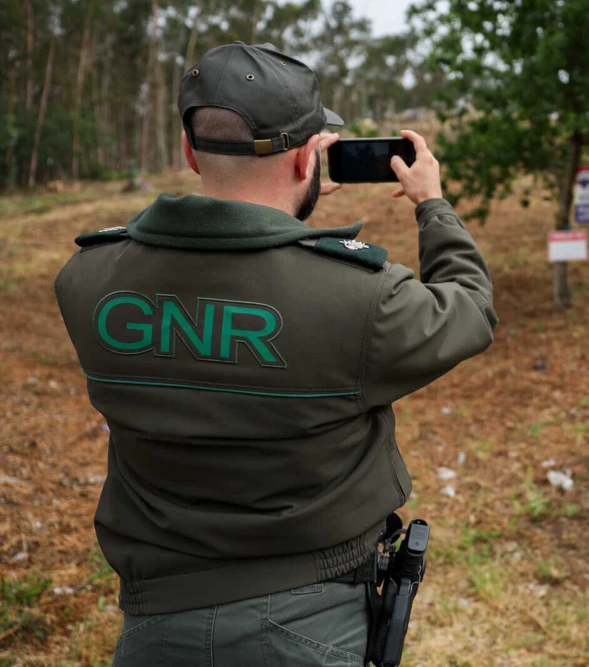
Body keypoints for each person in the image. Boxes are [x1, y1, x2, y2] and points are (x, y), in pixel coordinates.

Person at [54, 41, 498, 666]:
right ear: (304, 159)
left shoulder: (87, 281)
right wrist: (431, 204)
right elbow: (471, 309)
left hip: (154, 625)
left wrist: (286, 211)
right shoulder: (362, 298)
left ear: (189, 150)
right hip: (311, 626)